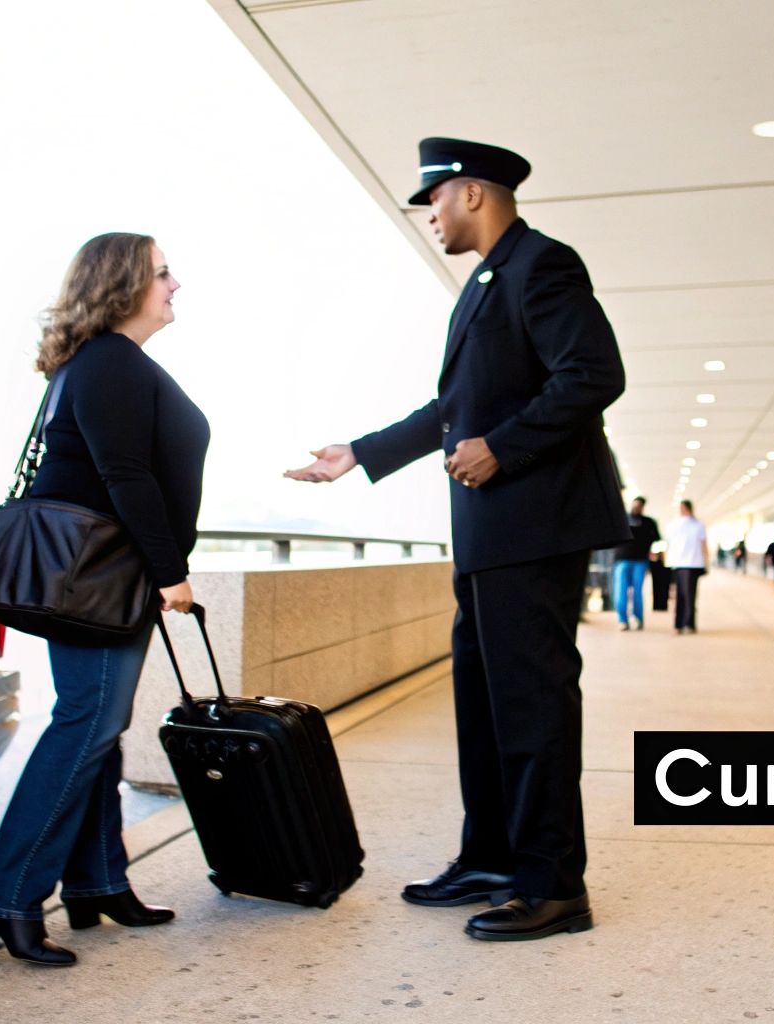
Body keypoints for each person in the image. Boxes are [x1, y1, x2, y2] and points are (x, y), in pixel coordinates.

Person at [286, 137, 627, 942]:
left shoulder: (544, 265)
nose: (430, 215)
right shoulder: (486, 282)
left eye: (434, 200)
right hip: (488, 535)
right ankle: (492, 857)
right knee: (482, 706)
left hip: (533, 526)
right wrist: (362, 453)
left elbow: (594, 373)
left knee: (534, 707)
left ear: (471, 192)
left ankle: (552, 886)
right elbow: (454, 408)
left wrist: (503, 445)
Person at [0, 233, 207, 966]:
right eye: (163, 273)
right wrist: (172, 574)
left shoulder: (107, 363)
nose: (176, 284)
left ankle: (98, 883)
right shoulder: (109, 361)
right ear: (125, 285)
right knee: (85, 725)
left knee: (98, 728)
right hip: (102, 577)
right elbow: (124, 475)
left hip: (105, 576)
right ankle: (9, 898)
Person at [612, 497, 659, 631]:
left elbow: (656, 540)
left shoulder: (649, 522)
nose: (636, 507)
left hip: (640, 560)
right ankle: (622, 620)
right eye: (635, 504)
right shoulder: (622, 519)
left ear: (643, 507)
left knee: (638, 591)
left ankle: (638, 618)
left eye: (640, 505)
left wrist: (653, 553)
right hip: (622, 560)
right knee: (621, 591)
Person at [666, 500, 708, 634]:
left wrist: (705, 561)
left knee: (685, 595)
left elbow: (703, 545)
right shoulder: (692, 525)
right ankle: (685, 624)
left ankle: (684, 624)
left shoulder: (695, 525)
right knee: (687, 595)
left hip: (689, 564)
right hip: (685, 564)